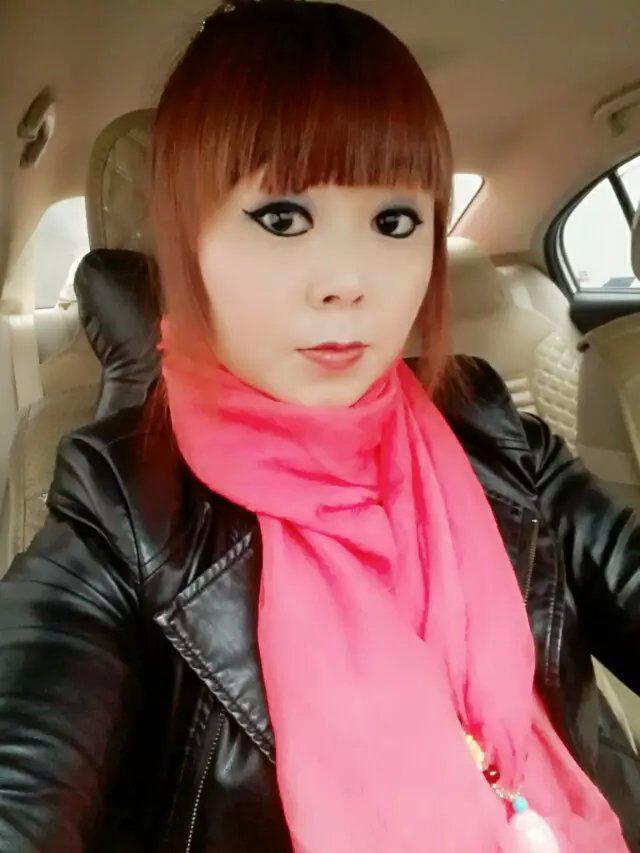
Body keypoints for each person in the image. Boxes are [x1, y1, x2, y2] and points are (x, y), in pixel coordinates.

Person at [0, 1, 638, 850]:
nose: (347, 280)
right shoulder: (123, 509)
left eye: (394, 221)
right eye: (282, 217)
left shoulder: (491, 429)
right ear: (190, 242)